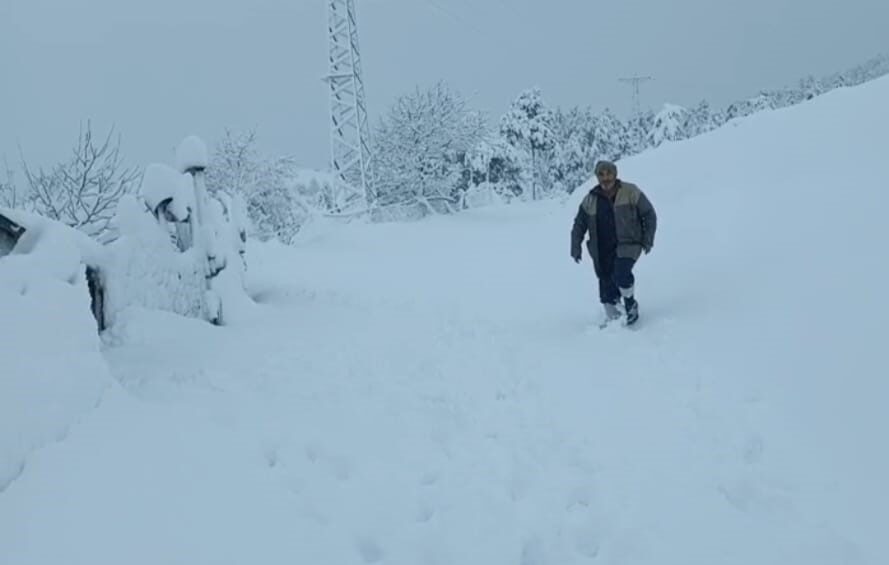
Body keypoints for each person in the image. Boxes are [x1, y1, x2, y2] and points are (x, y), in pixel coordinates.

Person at [570, 160, 657, 325]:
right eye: (601, 174)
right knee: (606, 285)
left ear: (615, 174)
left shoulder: (630, 191)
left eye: (609, 173)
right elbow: (579, 224)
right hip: (602, 248)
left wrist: (648, 239)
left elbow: (649, 214)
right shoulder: (590, 200)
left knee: (621, 273)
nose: (605, 178)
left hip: (629, 244)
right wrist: (575, 247)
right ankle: (614, 324)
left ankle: (630, 304)